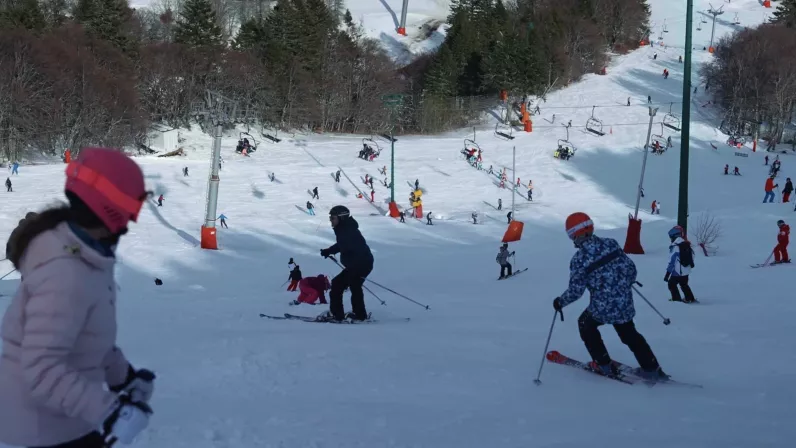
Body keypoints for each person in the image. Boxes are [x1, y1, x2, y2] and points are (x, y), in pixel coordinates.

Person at [0, 148, 155, 447]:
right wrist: (110, 411)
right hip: (36, 430)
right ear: (113, 206)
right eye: (135, 206)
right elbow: (42, 370)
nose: (133, 220)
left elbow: (85, 335)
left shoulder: (83, 251)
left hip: (64, 421)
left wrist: (123, 376)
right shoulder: (66, 273)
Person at [552, 212, 667, 380]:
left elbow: (576, 291)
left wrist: (560, 302)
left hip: (602, 307)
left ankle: (603, 364)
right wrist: (623, 283)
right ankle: (651, 368)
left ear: (576, 234)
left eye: (571, 236)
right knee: (629, 333)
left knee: (586, 325)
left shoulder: (579, 259)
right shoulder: (611, 244)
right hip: (624, 303)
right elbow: (630, 269)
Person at [319, 206, 374, 322]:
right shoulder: (345, 229)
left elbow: (345, 245)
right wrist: (329, 251)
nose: (331, 221)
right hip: (361, 264)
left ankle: (337, 315)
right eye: (330, 218)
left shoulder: (346, 231)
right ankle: (359, 315)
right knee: (354, 286)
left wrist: (331, 251)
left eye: (332, 218)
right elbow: (342, 244)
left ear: (341, 218)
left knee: (337, 284)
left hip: (359, 265)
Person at [665, 226, 697, 303]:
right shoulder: (686, 244)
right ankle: (690, 298)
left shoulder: (675, 247)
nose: (670, 239)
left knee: (671, 284)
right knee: (684, 284)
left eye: (671, 237)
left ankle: (676, 300)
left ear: (674, 236)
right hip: (686, 270)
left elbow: (672, 262)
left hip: (678, 271)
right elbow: (693, 255)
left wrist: (667, 274)